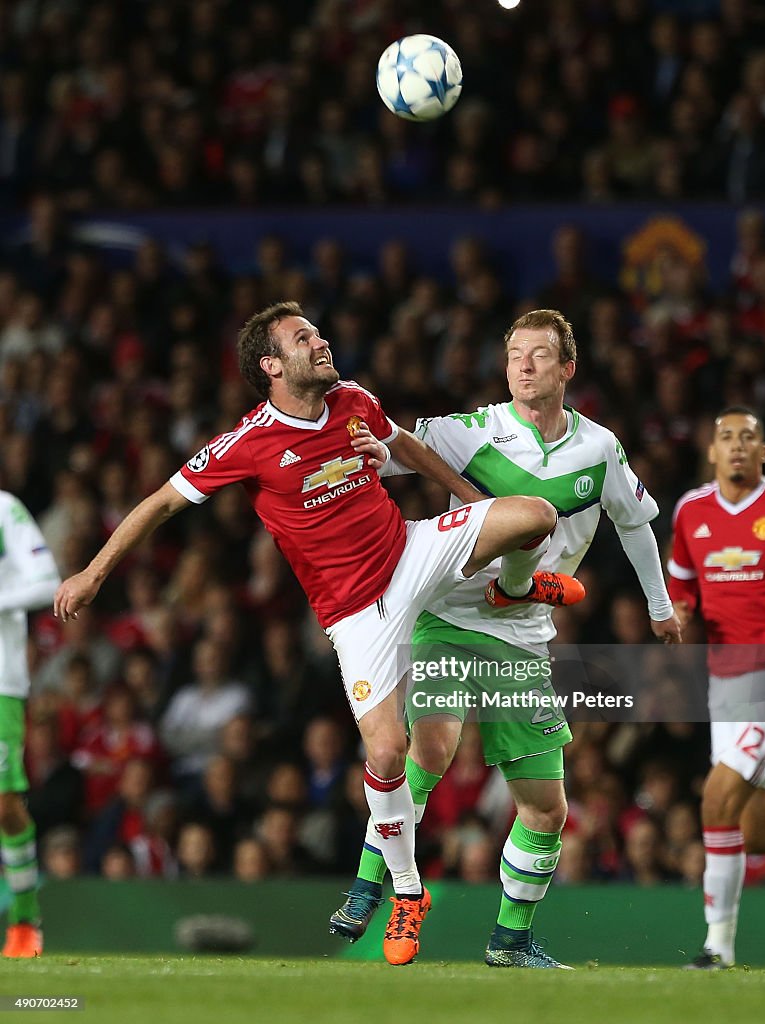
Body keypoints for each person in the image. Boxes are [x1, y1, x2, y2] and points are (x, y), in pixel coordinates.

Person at [54, 300, 582, 966]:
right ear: (272, 366)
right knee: (388, 754)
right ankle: (407, 893)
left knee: (531, 515)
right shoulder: (246, 445)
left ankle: (515, 586)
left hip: (410, 551)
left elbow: (406, 445)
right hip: (355, 613)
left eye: (317, 331)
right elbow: (161, 502)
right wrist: (94, 573)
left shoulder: (354, 400)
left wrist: (469, 500)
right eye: (304, 338)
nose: (321, 340)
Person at [330, 308, 680, 968]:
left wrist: (659, 608)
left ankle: (509, 941)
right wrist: (372, 455)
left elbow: (634, 525)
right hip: (448, 619)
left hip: (521, 640)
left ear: (566, 369)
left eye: (538, 355)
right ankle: (367, 888)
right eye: (514, 353)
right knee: (428, 749)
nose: (522, 364)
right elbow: (396, 447)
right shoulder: (472, 432)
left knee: (546, 811)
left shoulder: (598, 449)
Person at [668, 406, 765, 969]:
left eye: (748, 438)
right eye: (725, 437)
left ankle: (717, 948)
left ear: (764, 451)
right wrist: (676, 614)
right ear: (711, 451)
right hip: (722, 683)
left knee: (715, 797)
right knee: (753, 831)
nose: (737, 446)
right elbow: (680, 587)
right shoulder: (690, 511)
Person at [0, 490, 61, 958]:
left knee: (4, 805)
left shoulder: (5, 509)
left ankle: (24, 922)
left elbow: (47, 582)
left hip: (1, 679)